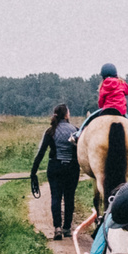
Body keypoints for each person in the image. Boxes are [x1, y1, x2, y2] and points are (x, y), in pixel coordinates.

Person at [29, 101, 82, 237]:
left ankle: (57, 228)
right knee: (69, 198)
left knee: (56, 197)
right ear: (65, 115)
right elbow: (81, 152)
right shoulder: (76, 130)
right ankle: (67, 229)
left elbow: (41, 153)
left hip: (55, 167)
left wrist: (33, 172)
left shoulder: (50, 131)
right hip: (71, 168)